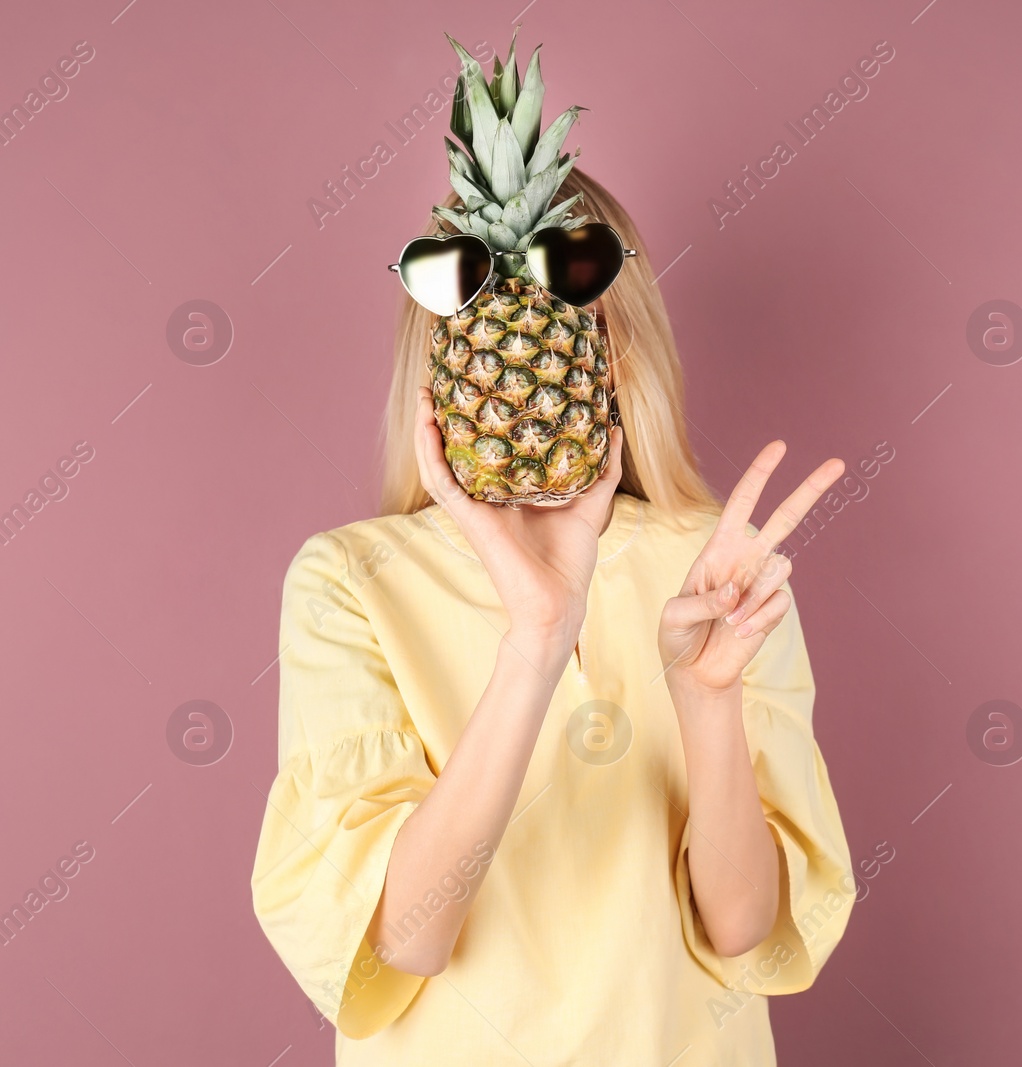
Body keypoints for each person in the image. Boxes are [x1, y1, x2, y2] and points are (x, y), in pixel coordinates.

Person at [250, 168, 855, 1065]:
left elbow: (742, 928)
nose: (521, 326)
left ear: (613, 336)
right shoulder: (349, 579)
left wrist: (705, 696)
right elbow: (406, 940)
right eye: (484, 298)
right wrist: (537, 640)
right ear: (445, 341)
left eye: (557, 291)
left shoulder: (718, 563)